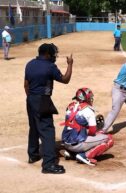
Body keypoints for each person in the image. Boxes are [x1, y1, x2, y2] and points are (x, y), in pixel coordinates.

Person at [24, 43, 73, 174]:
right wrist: (70, 64)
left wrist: (32, 99)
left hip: (30, 99)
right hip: (42, 100)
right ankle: (49, 164)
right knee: (48, 131)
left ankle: (33, 155)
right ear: (47, 54)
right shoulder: (50, 66)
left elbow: (26, 85)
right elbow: (65, 79)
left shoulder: (29, 64)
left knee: (34, 127)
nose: (54, 56)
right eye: (53, 54)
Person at [61, 88, 114, 166]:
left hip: (65, 143)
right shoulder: (89, 110)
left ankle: (71, 153)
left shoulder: (70, 107)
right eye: (90, 97)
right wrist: (97, 131)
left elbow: (76, 123)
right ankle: (85, 156)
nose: (91, 99)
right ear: (86, 98)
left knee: (77, 133)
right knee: (109, 138)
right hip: (77, 145)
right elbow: (92, 132)